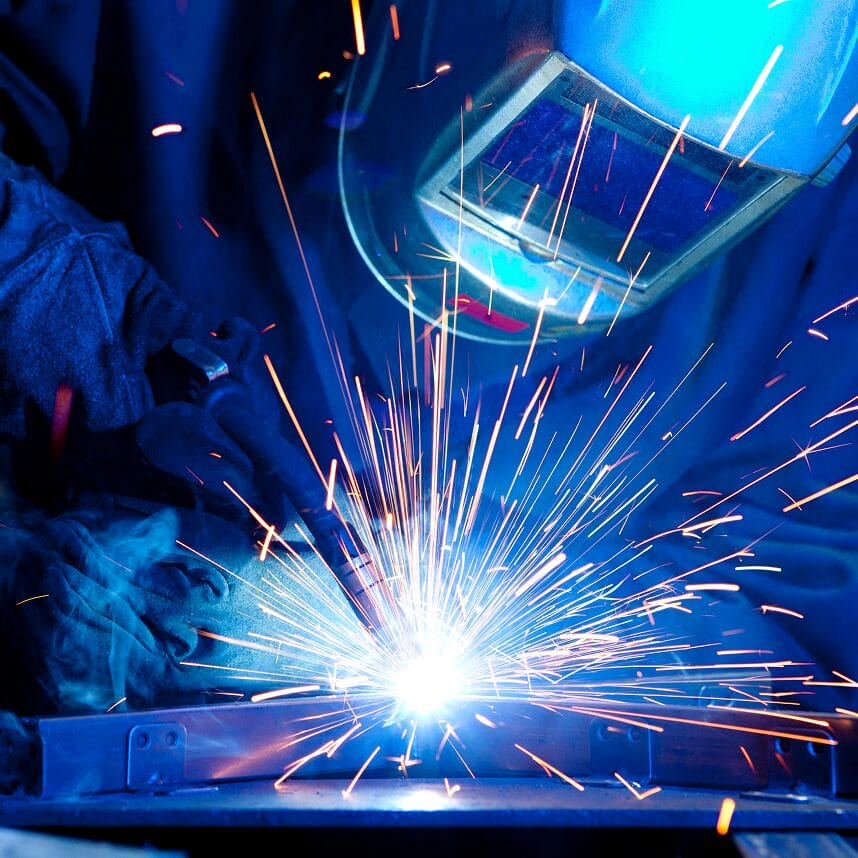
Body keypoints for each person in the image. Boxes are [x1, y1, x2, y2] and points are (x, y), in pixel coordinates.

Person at [0, 0, 855, 722]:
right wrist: (53, 283)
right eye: (560, 143)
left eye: (681, 196)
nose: (554, 235)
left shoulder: (821, 235)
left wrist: (282, 623)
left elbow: (806, 608)